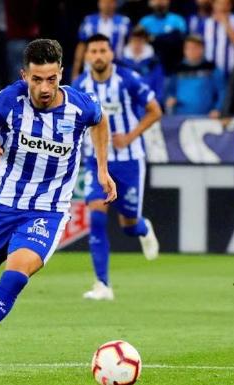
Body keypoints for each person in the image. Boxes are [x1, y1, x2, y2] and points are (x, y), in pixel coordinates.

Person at [0, 38, 118, 380]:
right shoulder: (9, 99)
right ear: (24, 75)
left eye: (51, 79)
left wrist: (103, 169)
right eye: (36, 79)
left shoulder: (79, 106)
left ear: (61, 73)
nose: (45, 88)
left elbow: (100, 122)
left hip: (46, 211)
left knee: (15, 278)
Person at [73, 34, 161, 301]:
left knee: (128, 224)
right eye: (93, 51)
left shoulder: (128, 79)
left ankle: (143, 228)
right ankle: (103, 284)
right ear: (87, 56)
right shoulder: (80, 85)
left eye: (102, 50)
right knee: (97, 216)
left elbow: (155, 110)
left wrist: (131, 136)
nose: (98, 55)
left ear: (111, 53)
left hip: (130, 161)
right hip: (95, 160)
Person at [165, 34, 225, 117]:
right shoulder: (177, 69)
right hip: (180, 118)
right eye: (188, 48)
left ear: (202, 49)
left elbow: (222, 92)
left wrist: (218, 109)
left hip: (206, 118)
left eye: (194, 48)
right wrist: (170, 99)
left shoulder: (212, 69)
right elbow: (170, 91)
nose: (191, 51)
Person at [72, 0, 131, 80]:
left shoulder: (124, 22)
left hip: (118, 67)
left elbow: (130, 45)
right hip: (92, 67)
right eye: (104, 2)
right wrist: (76, 71)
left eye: (110, 2)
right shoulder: (89, 21)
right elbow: (82, 45)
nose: (107, 5)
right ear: (99, 3)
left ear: (115, 3)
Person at [192, 0, 234, 77]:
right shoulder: (204, 23)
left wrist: (226, 24)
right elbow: (197, 48)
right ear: (213, 5)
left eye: (225, 4)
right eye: (219, 3)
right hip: (210, 73)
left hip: (233, 71)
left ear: (230, 6)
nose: (222, 7)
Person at [138, 0, 187, 73]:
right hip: (149, 64)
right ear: (151, 2)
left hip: (173, 63)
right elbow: (140, 40)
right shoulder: (145, 21)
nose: (159, 1)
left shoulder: (177, 20)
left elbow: (179, 40)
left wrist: (154, 38)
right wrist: (168, 37)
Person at [119, 26, 164, 103]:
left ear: (145, 41)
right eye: (134, 40)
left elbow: (159, 86)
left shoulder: (154, 63)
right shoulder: (122, 63)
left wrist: (156, 103)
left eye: (140, 40)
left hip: (149, 104)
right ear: (130, 41)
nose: (137, 44)